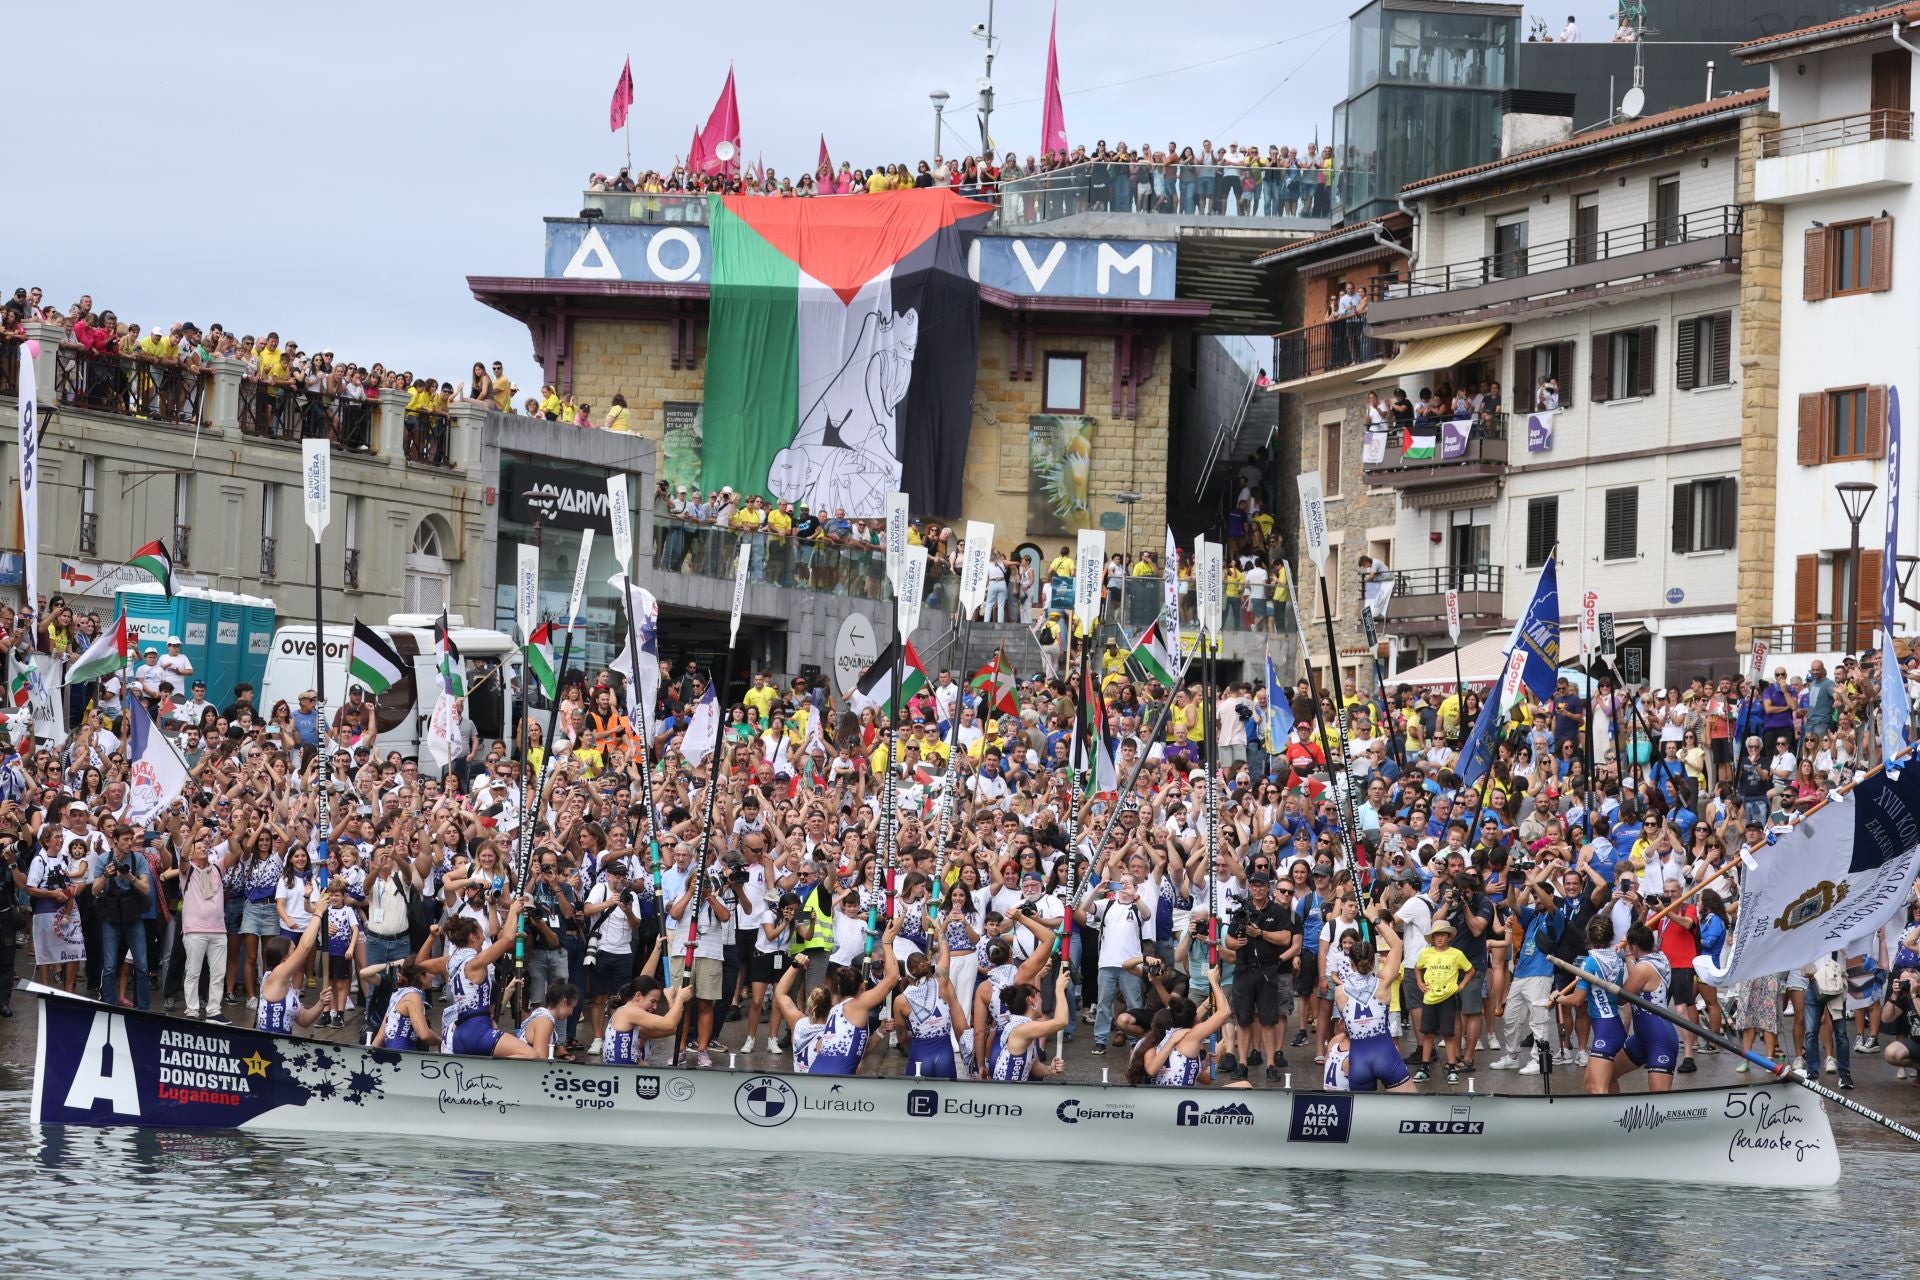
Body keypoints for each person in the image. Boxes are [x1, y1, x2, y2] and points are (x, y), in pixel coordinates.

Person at [809, 916, 901, 1075]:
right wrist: (886, 942)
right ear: (862, 988)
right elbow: (893, 977)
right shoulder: (857, 1005)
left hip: (817, 1074)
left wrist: (880, 1031)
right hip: (836, 1077)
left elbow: (859, 1052)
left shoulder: (834, 1010)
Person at [1557, 914, 1627, 1095]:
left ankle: (1607, 1121)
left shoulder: (1590, 962)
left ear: (1588, 935)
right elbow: (1621, 998)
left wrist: (1559, 998)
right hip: (1612, 1025)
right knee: (1592, 1083)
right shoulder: (1616, 957)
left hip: (1606, 1030)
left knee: (1598, 1089)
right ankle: (1616, 1116)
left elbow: (1577, 1000)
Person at [1132, 966, 1232, 1087]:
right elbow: (1225, 1012)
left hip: (1156, 1099)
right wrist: (1214, 983)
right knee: (1244, 1084)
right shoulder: (1186, 1038)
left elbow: (1207, 1079)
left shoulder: (1145, 1044)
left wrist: (1210, 1062)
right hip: (1181, 1101)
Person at [1617, 922, 1678, 1093]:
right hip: (1642, 1038)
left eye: (1630, 946)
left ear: (1635, 947)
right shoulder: (1661, 957)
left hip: (1660, 1039)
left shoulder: (1643, 969)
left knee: (1659, 1099)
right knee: (1607, 1075)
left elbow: (1621, 998)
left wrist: (1627, 955)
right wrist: (1631, 951)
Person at [257, 912, 334, 1034]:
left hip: (284, 1047)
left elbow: (304, 1020)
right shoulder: (276, 975)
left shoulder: (288, 985)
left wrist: (321, 1003)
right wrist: (318, 913)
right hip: (268, 1047)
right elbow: (305, 947)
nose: (297, 952)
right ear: (284, 958)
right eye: (293, 949)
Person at [603, 972, 692, 1065]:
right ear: (638, 996)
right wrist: (679, 999)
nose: (655, 1007)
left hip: (623, 1073)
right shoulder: (630, 1012)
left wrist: (671, 999)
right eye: (653, 1001)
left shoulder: (630, 1016)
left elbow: (675, 1027)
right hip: (620, 1075)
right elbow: (670, 1025)